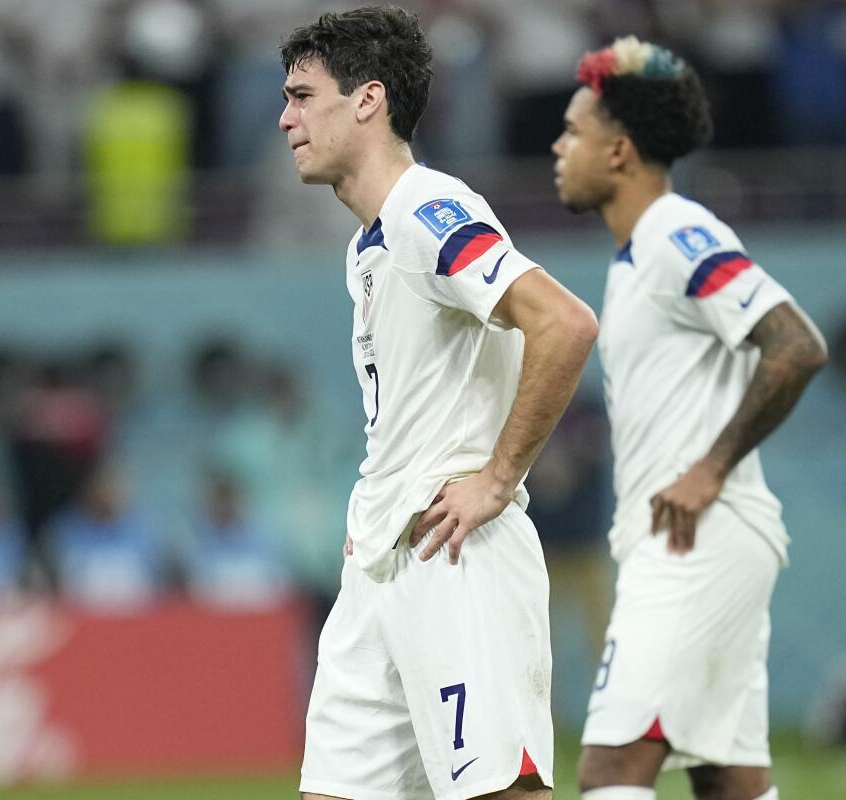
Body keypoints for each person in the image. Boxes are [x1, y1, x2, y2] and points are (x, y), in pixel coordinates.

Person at [279, 7, 598, 800]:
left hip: (455, 558)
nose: (285, 118)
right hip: (382, 560)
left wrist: (496, 479)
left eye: (301, 95)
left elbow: (564, 323)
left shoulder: (428, 211)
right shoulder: (369, 244)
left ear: (368, 100)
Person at [550, 37, 829, 800]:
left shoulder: (676, 232)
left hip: (696, 541)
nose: (557, 145)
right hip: (688, 542)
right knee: (728, 781)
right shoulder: (637, 255)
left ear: (621, 151)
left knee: (611, 768)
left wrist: (709, 469)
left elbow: (796, 345)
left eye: (574, 131)